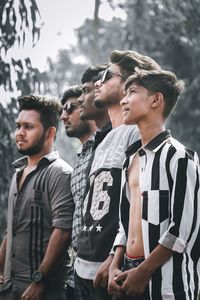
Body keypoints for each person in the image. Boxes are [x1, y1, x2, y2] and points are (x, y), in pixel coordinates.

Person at [74, 50, 161, 300]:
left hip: (112, 273)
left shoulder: (137, 133)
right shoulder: (103, 142)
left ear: (129, 86)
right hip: (84, 268)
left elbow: (138, 204)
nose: (98, 82)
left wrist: (114, 258)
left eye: (107, 76)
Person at [109, 69, 200, 299]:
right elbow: (125, 222)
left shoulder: (179, 156)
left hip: (167, 284)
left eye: (132, 92)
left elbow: (182, 229)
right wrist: (114, 264)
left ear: (156, 100)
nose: (123, 100)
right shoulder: (130, 159)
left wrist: (144, 271)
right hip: (128, 276)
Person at [0, 95, 74, 300]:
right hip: (9, 287)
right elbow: (11, 230)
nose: (19, 133)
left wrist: (39, 280)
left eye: (28, 127)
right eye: (18, 126)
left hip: (42, 290)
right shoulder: (18, 173)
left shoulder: (59, 173)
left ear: (50, 133)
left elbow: (63, 231)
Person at [60, 75, 111, 299]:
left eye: (70, 107)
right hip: (78, 271)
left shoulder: (108, 151)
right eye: (62, 110)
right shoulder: (81, 155)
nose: (64, 115)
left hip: (103, 270)